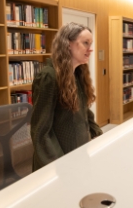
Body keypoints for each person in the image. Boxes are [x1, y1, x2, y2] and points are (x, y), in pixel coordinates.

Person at [30, 22, 103, 171]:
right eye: (85, 43)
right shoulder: (48, 77)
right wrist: (60, 165)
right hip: (58, 162)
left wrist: (97, 132)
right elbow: (41, 132)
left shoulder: (77, 74)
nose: (91, 49)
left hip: (78, 154)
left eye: (91, 44)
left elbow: (83, 111)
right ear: (68, 44)